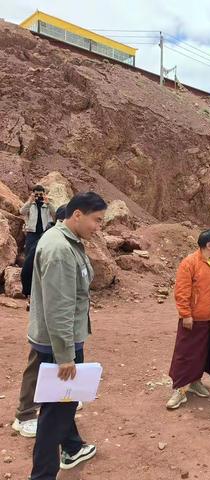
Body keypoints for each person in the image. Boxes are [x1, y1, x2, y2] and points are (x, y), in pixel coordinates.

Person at [28, 192, 107, 480]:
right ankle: (42, 476)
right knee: (55, 413)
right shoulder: (60, 249)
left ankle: (72, 447)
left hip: (56, 340)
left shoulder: (64, 241)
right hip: (59, 344)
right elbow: (59, 307)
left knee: (63, 401)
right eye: (96, 220)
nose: (98, 227)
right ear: (77, 215)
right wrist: (65, 357)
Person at [12, 205, 68, 439]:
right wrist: (33, 295)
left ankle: (56, 399)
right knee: (38, 363)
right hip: (45, 322)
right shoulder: (50, 242)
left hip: (58, 322)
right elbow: (27, 271)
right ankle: (24, 414)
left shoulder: (65, 242)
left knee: (58, 361)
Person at [167, 229, 210, 410]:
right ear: (209, 245)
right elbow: (181, 292)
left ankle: (195, 382)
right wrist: (186, 314)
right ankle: (179, 390)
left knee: (203, 354)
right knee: (185, 356)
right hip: (192, 320)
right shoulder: (189, 263)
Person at [20, 185, 55, 256]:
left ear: (44, 194)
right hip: (32, 232)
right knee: (29, 253)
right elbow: (22, 212)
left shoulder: (47, 205)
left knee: (44, 253)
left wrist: (48, 203)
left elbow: (54, 213)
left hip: (44, 232)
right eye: (36, 194)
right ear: (33, 194)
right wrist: (30, 201)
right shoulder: (30, 204)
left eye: (41, 194)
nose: (39, 196)